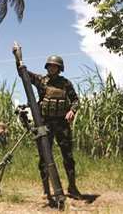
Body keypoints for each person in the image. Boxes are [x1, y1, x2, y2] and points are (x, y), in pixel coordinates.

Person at [23, 55, 82, 199]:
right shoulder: (41, 81)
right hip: (45, 123)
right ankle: (46, 190)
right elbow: (24, 75)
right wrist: (19, 63)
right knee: (44, 157)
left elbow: (75, 100)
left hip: (62, 124)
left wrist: (72, 111)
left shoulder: (65, 83)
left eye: (54, 66)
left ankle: (72, 187)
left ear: (59, 68)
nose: (51, 68)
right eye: (49, 65)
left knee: (68, 156)